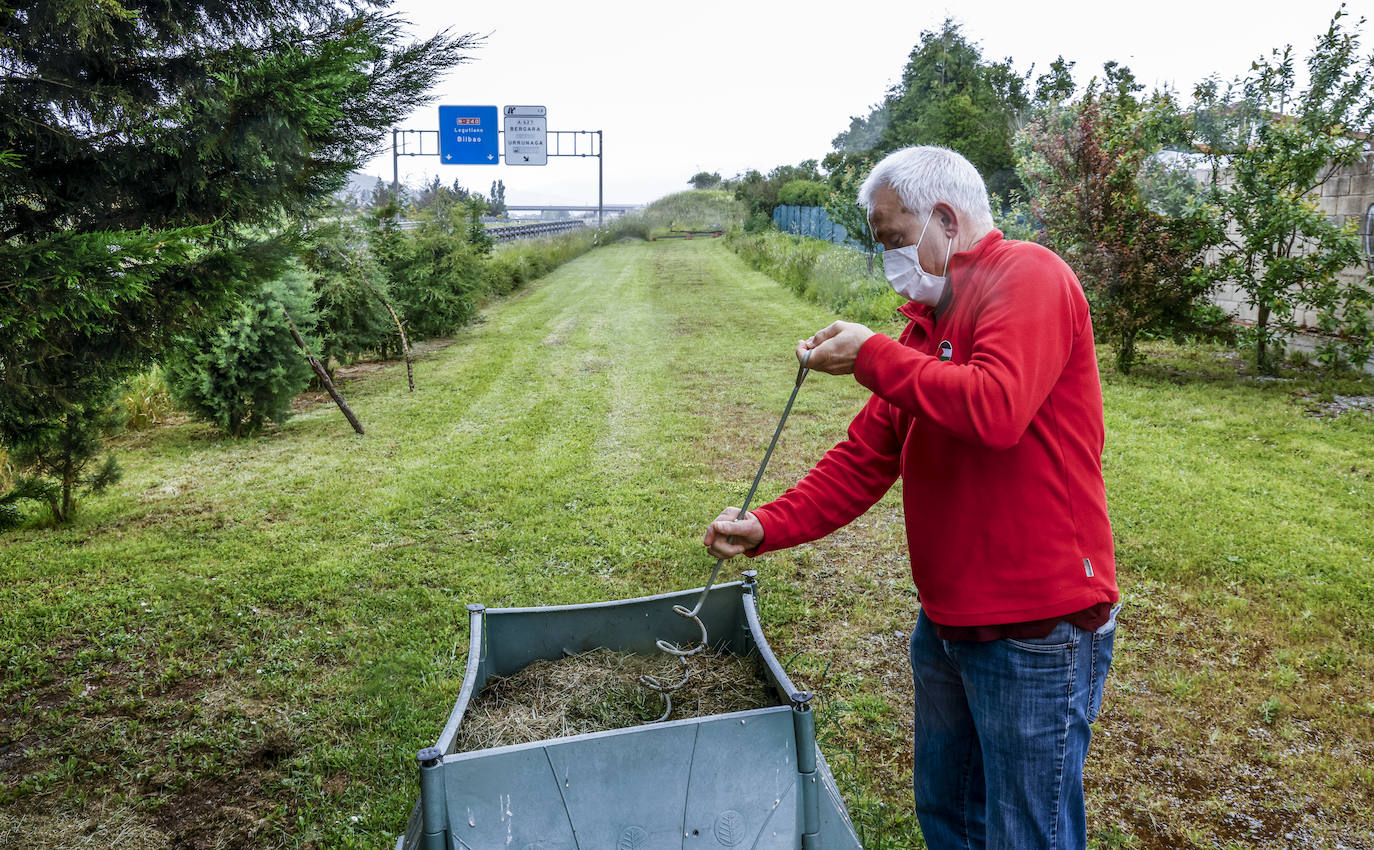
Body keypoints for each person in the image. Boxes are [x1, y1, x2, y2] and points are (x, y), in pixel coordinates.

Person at [703, 145, 1120, 850]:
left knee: (1027, 833)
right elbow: (865, 458)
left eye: (896, 239)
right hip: (949, 619)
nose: (893, 258)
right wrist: (765, 526)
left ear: (946, 220)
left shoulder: (1029, 276)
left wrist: (872, 356)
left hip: (1037, 627)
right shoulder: (925, 329)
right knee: (950, 816)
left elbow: (995, 407)